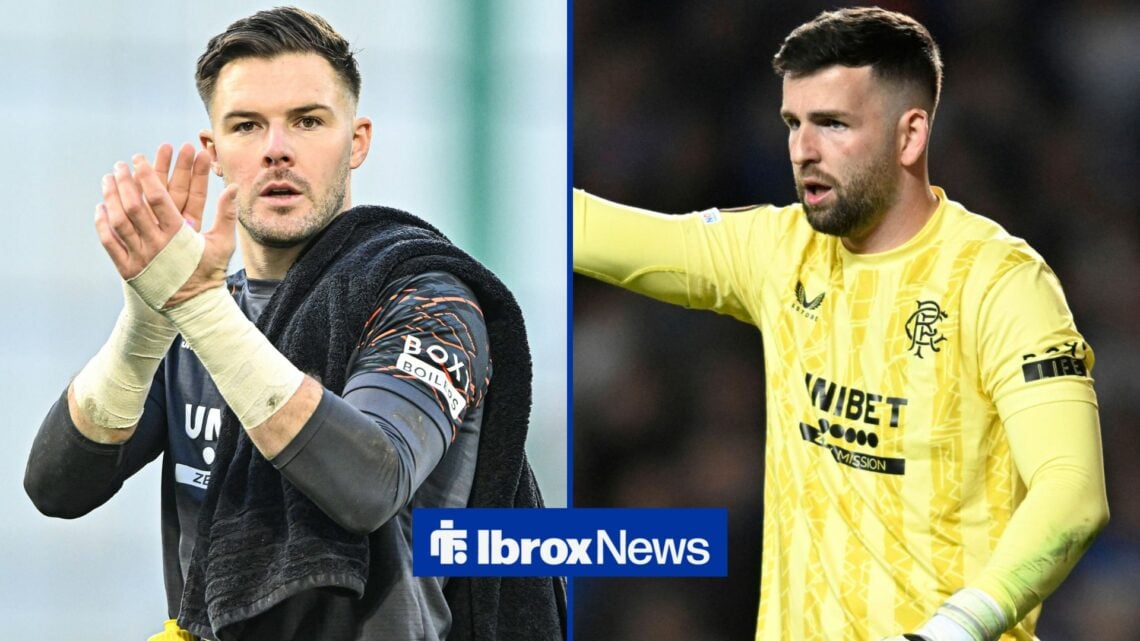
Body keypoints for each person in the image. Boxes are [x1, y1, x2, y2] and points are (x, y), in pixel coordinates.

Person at [24, 7, 564, 641]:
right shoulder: (197, 312)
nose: (277, 148)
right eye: (247, 126)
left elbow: (370, 482)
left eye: (308, 121)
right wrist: (146, 324)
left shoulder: (427, 299)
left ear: (357, 140)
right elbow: (58, 488)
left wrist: (198, 311)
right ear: (214, 152)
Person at [573, 7, 1107, 641]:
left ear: (910, 136)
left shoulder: (999, 282)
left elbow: (1072, 492)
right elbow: (592, 231)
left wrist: (956, 629)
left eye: (832, 124)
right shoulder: (778, 250)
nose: (803, 149)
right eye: (793, 123)